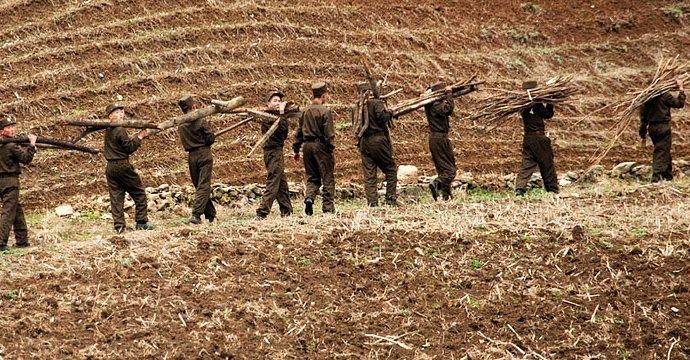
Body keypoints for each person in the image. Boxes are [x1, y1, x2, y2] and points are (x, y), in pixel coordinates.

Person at [103, 103, 154, 233]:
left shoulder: (108, 130)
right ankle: (141, 221)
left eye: (121, 111)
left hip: (110, 167)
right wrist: (140, 136)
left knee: (116, 197)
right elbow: (129, 147)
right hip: (122, 165)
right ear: (110, 116)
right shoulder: (119, 129)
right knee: (139, 193)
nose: (121, 114)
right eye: (117, 112)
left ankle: (119, 226)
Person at [292, 82, 336, 215]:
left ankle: (309, 198)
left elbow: (298, 132)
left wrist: (296, 149)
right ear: (323, 95)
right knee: (327, 177)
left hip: (307, 147)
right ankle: (328, 209)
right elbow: (329, 134)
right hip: (321, 146)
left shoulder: (304, 111)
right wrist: (330, 148)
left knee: (312, 177)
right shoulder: (325, 111)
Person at [356, 83, 398, 206]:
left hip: (363, 142)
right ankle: (390, 199)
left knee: (369, 175)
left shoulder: (356, 107)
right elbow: (383, 117)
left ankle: (372, 203)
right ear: (370, 92)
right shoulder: (376, 103)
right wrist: (390, 112)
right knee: (390, 169)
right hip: (378, 140)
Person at [515, 81, 559, 195]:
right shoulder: (537, 104)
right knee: (547, 163)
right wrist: (550, 102)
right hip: (539, 138)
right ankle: (552, 190)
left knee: (527, 164)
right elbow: (548, 115)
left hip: (528, 138)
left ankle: (519, 189)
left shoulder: (521, 105)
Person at [177, 95, 216, 224]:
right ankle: (196, 215)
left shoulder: (181, 124)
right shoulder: (200, 121)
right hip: (204, 154)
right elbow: (210, 138)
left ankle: (210, 214)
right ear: (193, 106)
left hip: (191, 157)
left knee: (199, 185)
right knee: (203, 185)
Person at [0, 117, 37, 251]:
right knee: (8, 211)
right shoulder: (11, 146)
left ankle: (22, 240)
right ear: (1, 131)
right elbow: (26, 159)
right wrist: (32, 145)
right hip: (10, 181)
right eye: (8, 128)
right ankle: (1, 242)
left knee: (16, 210)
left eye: (12, 127)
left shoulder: (5, 144)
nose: (12, 130)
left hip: (1, 181)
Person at [639, 78, 685, 182]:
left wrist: (643, 131)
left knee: (665, 150)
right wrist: (681, 89)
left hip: (652, 128)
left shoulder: (647, 98)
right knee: (661, 150)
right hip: (663, 127)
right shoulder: (665, 95)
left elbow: (643, 116)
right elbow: (679, 104)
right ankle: (656, 177)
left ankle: (667, 176)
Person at [256, 90, 293, 219]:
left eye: (279, 101)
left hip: (277, 152)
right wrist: (282, 113)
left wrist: (282, 115)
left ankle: (287, 211)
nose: (278, 103)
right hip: (273, 153)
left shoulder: (277, 117)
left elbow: (284, 133)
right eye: (275, 101)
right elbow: (282, 130)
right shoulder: (267, 117)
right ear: (268, 104)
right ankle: (262, 211)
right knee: (273, 181)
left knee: (281, 182)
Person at [424, 82, 456, 201]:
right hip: (439, 138)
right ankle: (437, 183)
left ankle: (446, 196)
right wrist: (449, 94)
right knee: (450, 170)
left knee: (443, 169)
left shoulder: (429, 103)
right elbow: (448, 109)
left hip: (436, 138)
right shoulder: (435, 104)